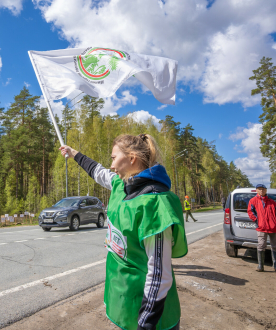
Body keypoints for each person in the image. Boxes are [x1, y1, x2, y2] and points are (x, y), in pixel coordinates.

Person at [59, 133, 187, 330]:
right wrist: (73, 153)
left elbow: (159, 274)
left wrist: (146, 322)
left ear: (131, 159)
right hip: (125, 302)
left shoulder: (154, 203)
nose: (111, 165)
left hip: (149, 315)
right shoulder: (121, 185)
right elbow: (97, 171)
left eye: (113, 158)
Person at [247, 184, 276, 273]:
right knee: (261, 245)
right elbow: (250, 212)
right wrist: (257, 220)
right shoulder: (253, 201)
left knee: (275, 247)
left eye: (263, 189)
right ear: (256, 190)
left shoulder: (272, 202)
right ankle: (260, 266)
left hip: (273, 228)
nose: (261, 191)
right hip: (261, 228)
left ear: (266, 190)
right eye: (259, 189)